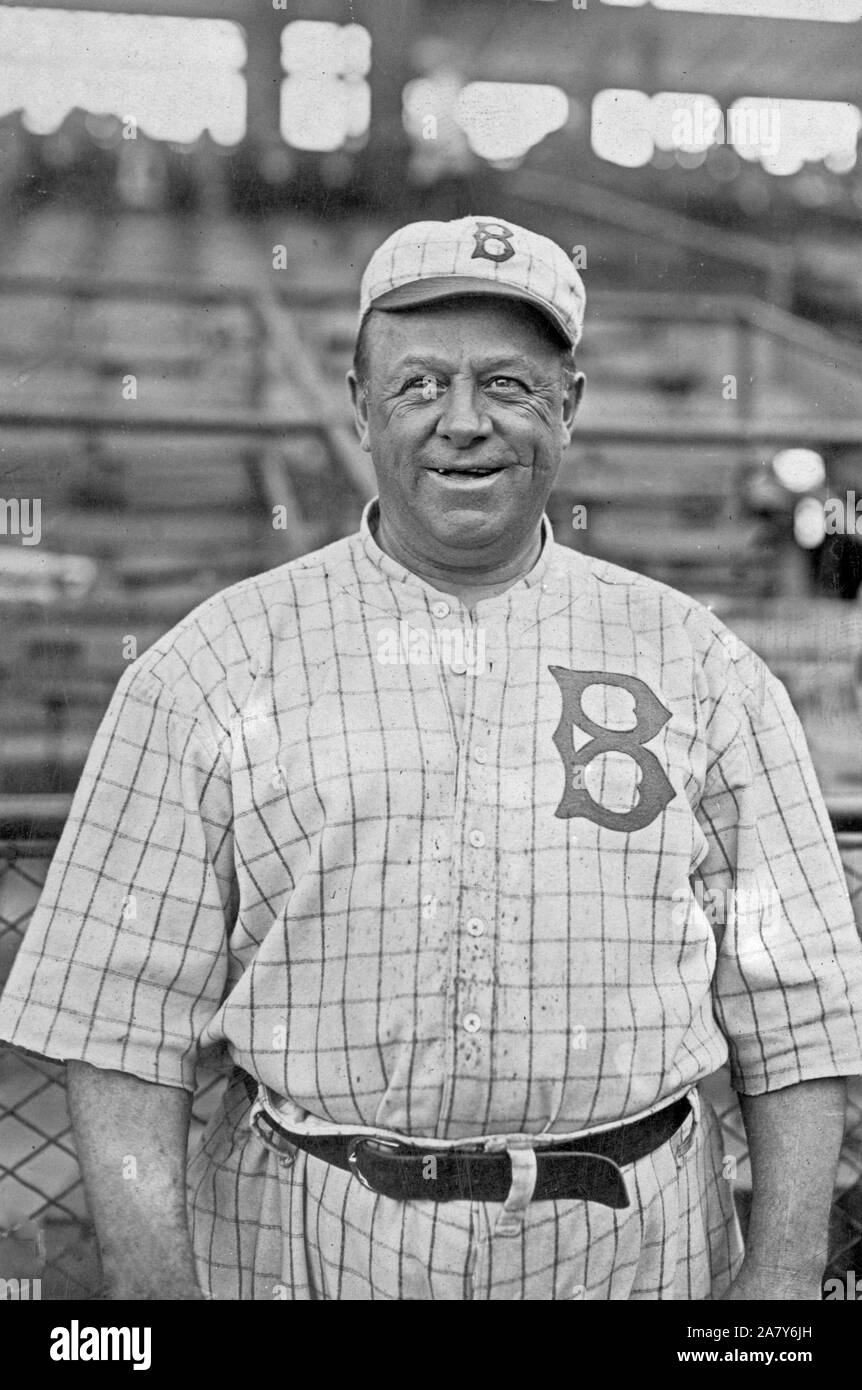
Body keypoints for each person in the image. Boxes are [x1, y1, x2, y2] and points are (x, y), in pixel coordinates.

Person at [2, 215, 861, 1302]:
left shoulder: (701, 666)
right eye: (419, 385)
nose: (464, 422)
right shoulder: (207, 666)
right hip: (301, 1242)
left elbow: (799, 1010)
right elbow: (119, 1026)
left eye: (507, 383)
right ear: (359, 404)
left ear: (569, 406)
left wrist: (781, 1279)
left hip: (635, 1253)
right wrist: (158, 1294)